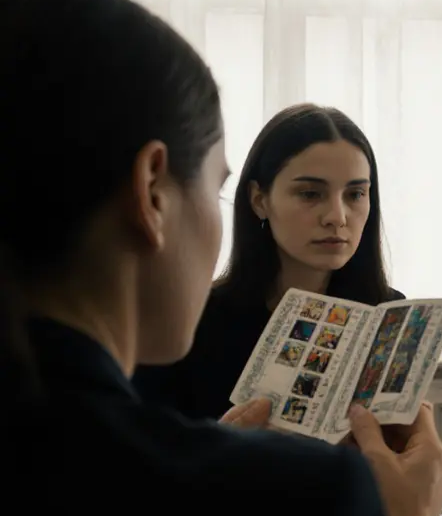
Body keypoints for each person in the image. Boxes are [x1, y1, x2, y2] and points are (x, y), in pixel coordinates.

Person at [1, 0, 442, 516]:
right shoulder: (291, 493)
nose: (337, 215)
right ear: (152, 191)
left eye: (357, 194)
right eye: (216, 186)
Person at [133, 103, 403, 421]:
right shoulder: (193, 320)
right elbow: (146, 445)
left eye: (355, 194)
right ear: (259, 200)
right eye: (310, 193)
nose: (337, 217)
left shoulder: (389, 315)